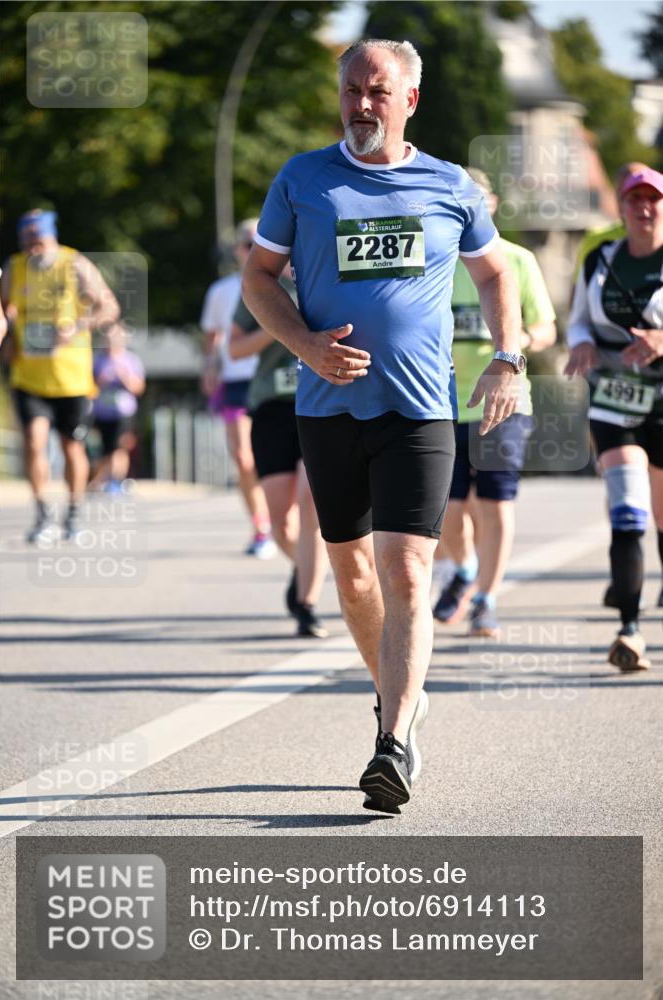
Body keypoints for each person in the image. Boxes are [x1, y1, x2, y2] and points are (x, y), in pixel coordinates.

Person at [242, 38, 524, 813]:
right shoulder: (302, 179)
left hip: (421, 406)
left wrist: (509, 356)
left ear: (409, 101)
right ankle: (395, 694)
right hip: (325, 408)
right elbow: (258, 277)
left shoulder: (449, 185)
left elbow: (496, 271)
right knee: (353, 573)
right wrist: (301, 343)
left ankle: (391, 742)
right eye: (351, 91)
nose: (361, 104)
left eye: (377, 92)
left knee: (404, 571)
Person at [433, 168, 557, 637]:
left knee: (494, 501)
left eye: (477, 197)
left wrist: (515, 340)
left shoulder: (517, 260)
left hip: (503, 400)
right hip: (445, 399)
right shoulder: (439, 258)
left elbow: (547, 328)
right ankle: (463, 569)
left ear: (493, 203)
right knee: (445, 507)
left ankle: (485, 597)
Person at [565, 165, 663, 671]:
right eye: (635, 200)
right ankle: (629, 627)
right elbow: (578, 318)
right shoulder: (600, 260)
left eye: (654, 200)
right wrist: (580, 341)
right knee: (629, 509)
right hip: (617, 397)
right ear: (622, 208)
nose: (644, 209)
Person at [0, 209, 119, 542]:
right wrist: (7, 333)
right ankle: (42, 516)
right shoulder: (15, 267)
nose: (32, 246)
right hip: (29, 375)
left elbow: (109, 307)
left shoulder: (75, 264)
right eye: (27, 239)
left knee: (71, 448)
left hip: (72, 378)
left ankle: (74, 513)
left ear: (51, 236)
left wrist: (78, 325)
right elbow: (1, 307)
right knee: (34, 443)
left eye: (38, 238)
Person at [229, 268, 329, 639]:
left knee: (310, 506)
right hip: (272, 408)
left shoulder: (329, 276)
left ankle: (307, 605)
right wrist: (278, 327)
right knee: (281, 522)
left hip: (320, 402)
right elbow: (233, 348)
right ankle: (304, 568)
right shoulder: (263, 286)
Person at [200, 220, 275, 559]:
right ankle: (261, 526)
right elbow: (212, 338)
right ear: (237, 249)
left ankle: (283, 519)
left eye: (259, 241)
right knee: (244, 458)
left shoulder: (285, 282)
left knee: (275, 458)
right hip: (236, 380)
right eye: (247, 243)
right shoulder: (221, 291)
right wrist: (210, 366)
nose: (252, 248)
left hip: (275, 383)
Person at [89, 322, 146, 493]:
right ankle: (101, 480)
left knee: (120, 447)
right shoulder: (98, 360)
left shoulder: (131, 360)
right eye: (108, 338)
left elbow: (139, 387)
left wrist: (125, 378)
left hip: (123, 411)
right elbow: (88, 386)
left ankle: (116, 481)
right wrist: (101, 380)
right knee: (106, 449)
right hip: (103, 412)